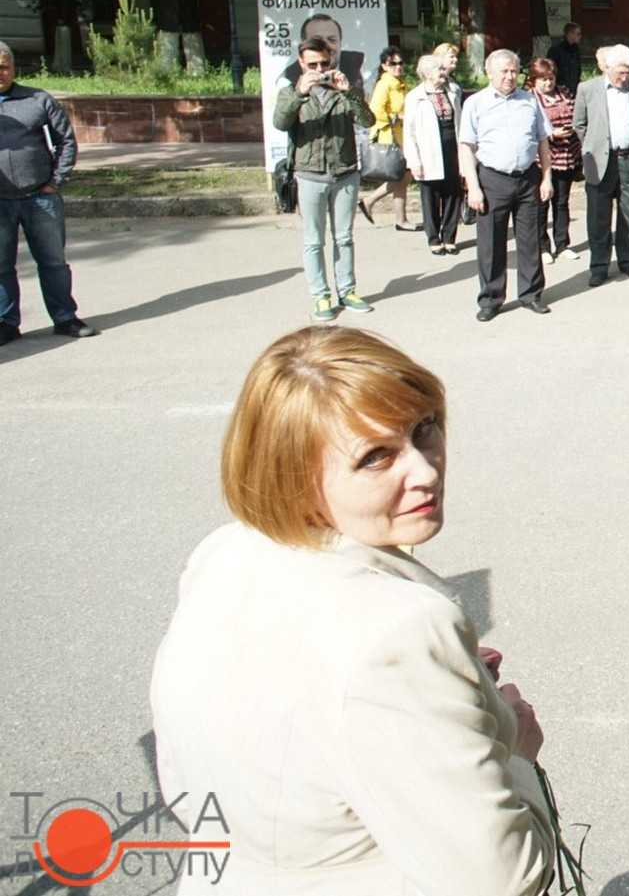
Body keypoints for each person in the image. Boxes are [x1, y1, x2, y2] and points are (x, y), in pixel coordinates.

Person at [151, 327, 558, 894]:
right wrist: (515, 752)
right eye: (375, 457)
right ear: (294, 474)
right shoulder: (402, 630)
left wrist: (448, 695)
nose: (425, 470)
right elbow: (502, 878)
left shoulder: (223, 552)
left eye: (425, 430)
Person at [0, 41, 97, 343]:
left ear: (14, 67)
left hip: (40, 198)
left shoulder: (37, 100)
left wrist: (55, 180)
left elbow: (66, 140)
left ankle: (65, 318)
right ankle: (6, 323)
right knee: (1, 266)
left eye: (4, 66)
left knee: (53, 262)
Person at [275, 35, 376, 322]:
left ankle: (347, 291)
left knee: (344, 237)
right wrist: (298, 94)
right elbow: (280, 122)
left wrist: (350, 94)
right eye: (312, 64)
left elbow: (367, 121)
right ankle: (321, 296)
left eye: (324, 63)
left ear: (331, 61)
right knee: (314, 241)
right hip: (310, 175)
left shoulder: (342, 90)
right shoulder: (290, 92)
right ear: (301, 63)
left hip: (344, 172)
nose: (319, 70)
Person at [458, 50, 553, 321]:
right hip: (492, 180)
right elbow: (466, 148)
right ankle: (490, 299)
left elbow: (543, 142)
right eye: (504, 71)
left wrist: (546, 178)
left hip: (527, 179)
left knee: (530, 240)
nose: (510, 76)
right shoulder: (475, 104)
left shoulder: (529, 101)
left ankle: (531, 294)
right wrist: (473, 187)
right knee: (491, 243)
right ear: (490, 73)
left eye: (514, 71)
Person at [570, 44, 629, 285]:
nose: (625, 77)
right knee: (598, 217)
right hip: (600, 161)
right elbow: (579, 124)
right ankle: (599, 266)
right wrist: (594, 147)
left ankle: (628, 261)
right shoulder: (588, 88)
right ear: (608, 67)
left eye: (628, 72)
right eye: (620, 72)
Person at [401, 54, 464, 257]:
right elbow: (409, 132)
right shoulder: (415, 97)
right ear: (427, 73)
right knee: (430, 196)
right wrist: (414, 160)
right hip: (428, 151)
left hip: (452, 147)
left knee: (453, 193)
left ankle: (449, 237)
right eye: (439, 69)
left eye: (443, 69)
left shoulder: (453, 91)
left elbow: (460, 122)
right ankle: (434, 238)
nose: (444, 73)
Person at [527, 58, 580, 261]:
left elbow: (577, 115)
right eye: (543, 80)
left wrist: (572, 129)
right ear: (533, 80)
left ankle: (562, 244)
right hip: (541, 159)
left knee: (562, 202)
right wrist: (551, 134)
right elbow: (528, 130)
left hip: (567, 156)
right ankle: (542, 247)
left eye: (550, 78)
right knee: (541, 204)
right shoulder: (529, 99)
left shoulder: (564, 92)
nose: (548, 83)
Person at [362, 46, 416, 230]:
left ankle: (400, 219)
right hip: (389, 137)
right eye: (392, 63)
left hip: (400, 136)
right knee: (403, 176)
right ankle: (370, 201)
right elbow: (375, 111)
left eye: (400, 63)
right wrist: (397, 117)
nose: (398, 66)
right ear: (384, 65)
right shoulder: (385, 84)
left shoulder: (399, 83)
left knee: (402, 177)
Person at [278, 12, 367, 94]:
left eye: (332, 40)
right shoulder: (287, 80)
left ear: (340, 43)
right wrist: (299, 95)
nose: (326, 47)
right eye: (317, 41)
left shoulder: (357, 64)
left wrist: (349, 94)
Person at [547, 20, 584, 94]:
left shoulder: (576, 49)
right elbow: (550, 70)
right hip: (559, 89)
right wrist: (557, 85)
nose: (580, 36)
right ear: (570, 34)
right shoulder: (556, 49)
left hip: (574, 88)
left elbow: (577, 69)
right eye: (578, 34)